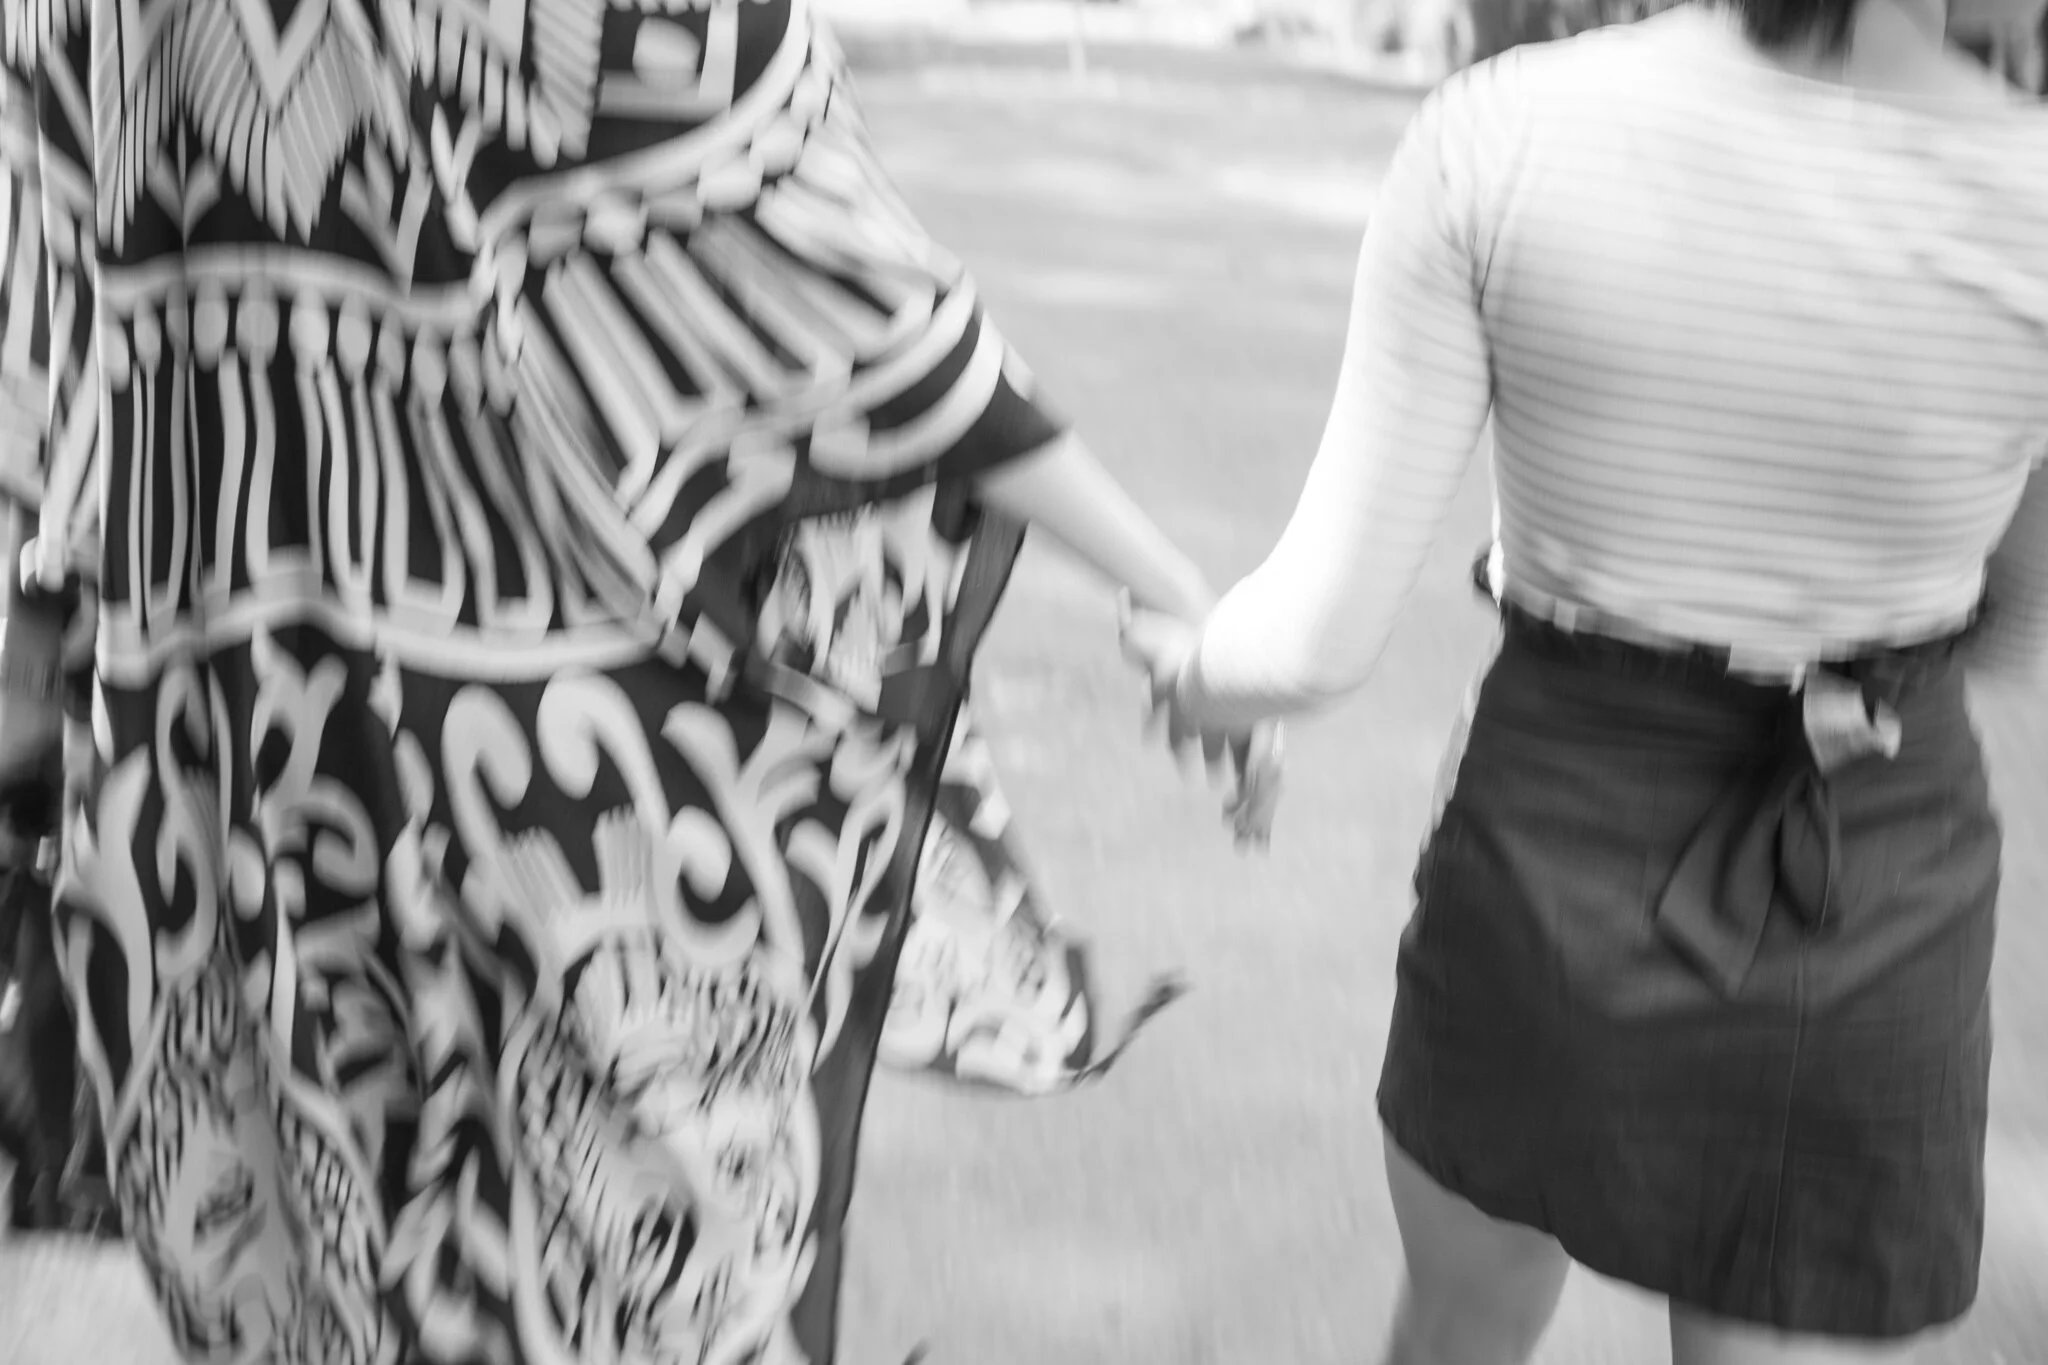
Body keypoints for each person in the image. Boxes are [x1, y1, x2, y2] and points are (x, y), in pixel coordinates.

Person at [0, 4, 1273, 1363]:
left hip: (227, 774)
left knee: (329, 1280)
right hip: (573, 798)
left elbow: (44, 358)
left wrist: (35, 692)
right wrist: (1176, 592)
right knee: (637, 1292)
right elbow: (855, 302)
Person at [1123, 0, 2048, 1361]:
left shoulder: (1505, 133)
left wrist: (1195, 679)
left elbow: (1307, 645)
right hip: (1872, 857)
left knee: (1464, 1317)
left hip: (1556, 830)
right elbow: (2016, 629)